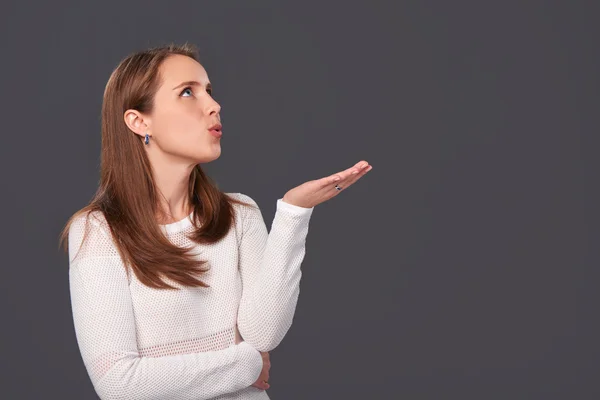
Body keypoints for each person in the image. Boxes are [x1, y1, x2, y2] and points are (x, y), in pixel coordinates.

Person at [59, 42, 372, 400]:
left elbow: (264, 334)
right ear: (138, 121)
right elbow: (119, 383)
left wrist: (293, 213)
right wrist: (246, 364)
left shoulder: (239, 214)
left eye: (209, 91)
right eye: (188, 92)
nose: (213, 105)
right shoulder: (99, 231)